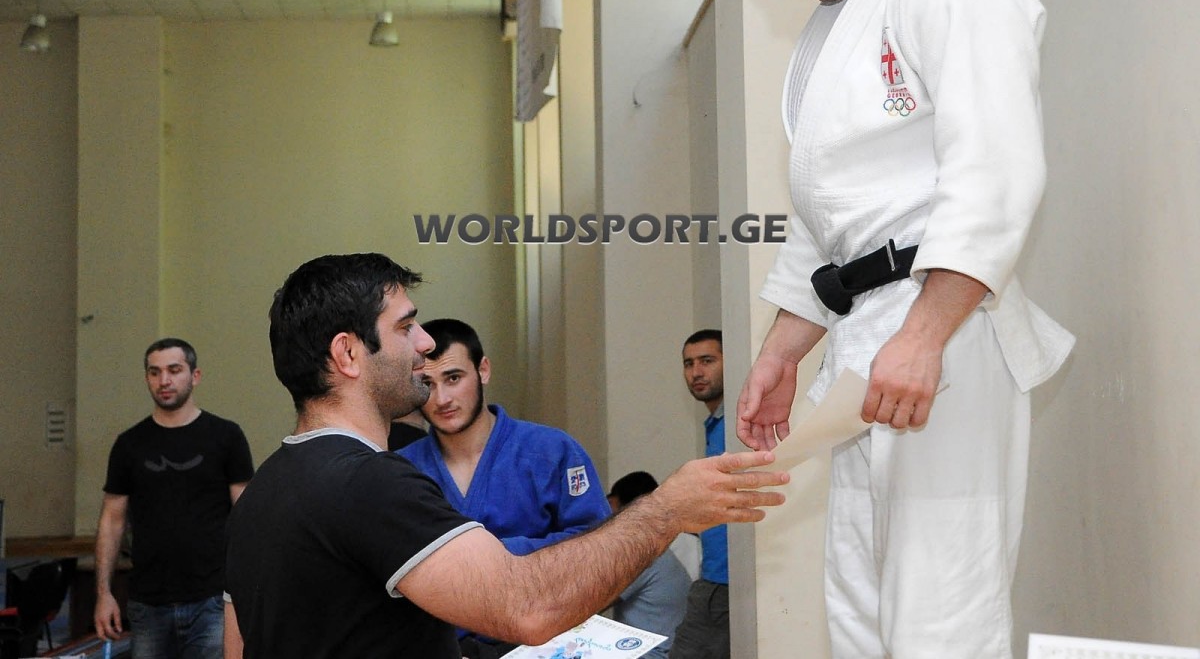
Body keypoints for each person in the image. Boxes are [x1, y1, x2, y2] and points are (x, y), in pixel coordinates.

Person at [722, 0, 1075, 659]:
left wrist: (923, 337)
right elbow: (832, 218)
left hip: (943, 335)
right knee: (862, 610)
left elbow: (996, 173)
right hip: (864, 347)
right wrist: (782, 353)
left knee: (939, 612)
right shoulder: (837, 24)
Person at [222, 253, 788, 659]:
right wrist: (666, 510)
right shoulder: (368, 481)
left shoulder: (265, 490)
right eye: (406, 326)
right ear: (348, 353)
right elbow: (527, 607)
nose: (424, 343)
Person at [399, 318, 612, 657]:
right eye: (427, 383)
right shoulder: (401, 470)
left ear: (483, 370)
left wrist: (500, 555)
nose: (442, 398)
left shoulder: (551, 451)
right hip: (441, 647)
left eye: (453, 378)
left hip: (543, 641)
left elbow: (599, 546)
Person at [94, 338, 254, 659]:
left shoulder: (226, 436)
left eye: (174, 370)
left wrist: (249, 588)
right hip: (147, 602)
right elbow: (111, 522)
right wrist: (103, 593)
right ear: (146, 378)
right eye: (154, 372)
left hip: (212, 598)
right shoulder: (129, 445)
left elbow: (247, 516)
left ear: (195, 376)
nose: (164, 380)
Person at [669, 329, 730, 659]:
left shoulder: (737, 422)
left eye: (707, 361)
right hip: (716, 576)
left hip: (727, 581)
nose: (696, 372)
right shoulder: (716, 423)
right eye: (689, 363)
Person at [606, 472, 693, 659]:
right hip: (671, 647)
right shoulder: (660, 547)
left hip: (652, 653)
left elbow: (591, 602)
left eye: (611, 511)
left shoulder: (642, 554)